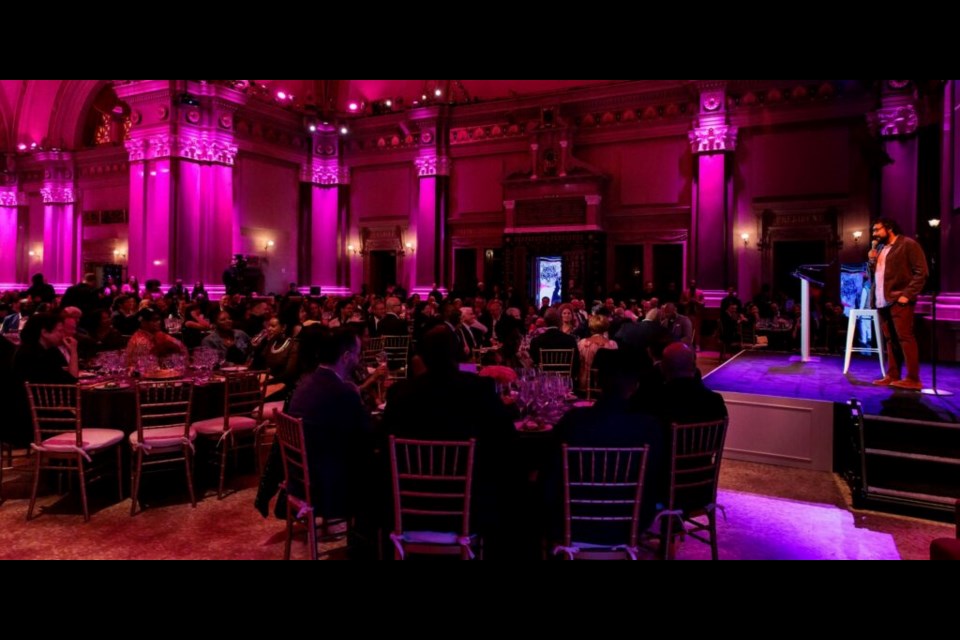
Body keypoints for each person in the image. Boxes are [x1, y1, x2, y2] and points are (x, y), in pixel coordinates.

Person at [868, 217, 929, 390]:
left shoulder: (907, 244)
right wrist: (872, 260)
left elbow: (921, 272)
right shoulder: (880, 249)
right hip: (882, 300)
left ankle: (913, 378)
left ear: (889, 228)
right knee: (890, 339)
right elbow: (875, 276)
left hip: (898, 300)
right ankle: (892, 374)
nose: (874, 234)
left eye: (877, 230)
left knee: (905, 337)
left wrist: (907, 295)